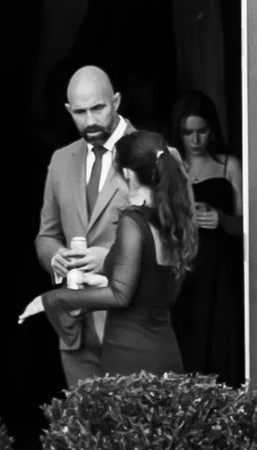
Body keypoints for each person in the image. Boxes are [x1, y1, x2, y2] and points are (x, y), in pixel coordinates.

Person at [51, 130, 197, 376]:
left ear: (127, 174)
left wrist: (56, 300)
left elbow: (120, 296)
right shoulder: (172, 220)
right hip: (164, 349)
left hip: (131, 354)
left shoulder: (134, 220)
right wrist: (96, 280)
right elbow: (150, 286)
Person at [34, 64, 126, 387]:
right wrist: (55, 257)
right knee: (84, 433)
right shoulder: (61, 160)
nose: (90, 121)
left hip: (130, 328)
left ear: (116, 100)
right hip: (74, 329)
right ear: (67, 110)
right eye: (80, 112)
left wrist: (110, 259)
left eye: (98, 108)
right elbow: (46, 234)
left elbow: (175, 245)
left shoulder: (154, 153)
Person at [168, 89, 246, 383]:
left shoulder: (229, 166)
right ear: (179, 132)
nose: (196, 140)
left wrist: (222, 219)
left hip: (222, 272)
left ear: (213, 130)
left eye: (203, 131)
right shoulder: (172, 168)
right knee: (186, 345)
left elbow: (252, 227)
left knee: (221, 344)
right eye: (189, 132)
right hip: (184, 271)